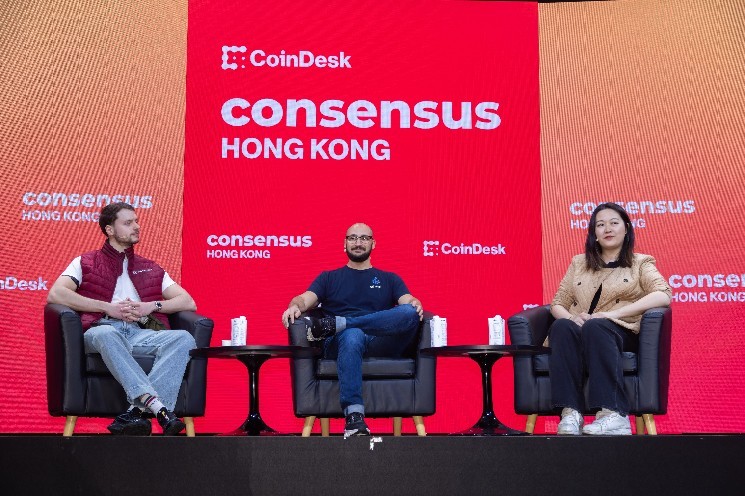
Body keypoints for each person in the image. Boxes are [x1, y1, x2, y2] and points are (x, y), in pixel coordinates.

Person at [47, 202, 198, 436]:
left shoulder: (150, 268)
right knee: (107, 333)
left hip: (139, 333)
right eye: (128, 223)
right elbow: (56, 294)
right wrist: (108, 308)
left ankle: (136, 412)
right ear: (109, 230)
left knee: (184, 339)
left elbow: (188, 302)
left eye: (136, 221)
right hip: (101, 329)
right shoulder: (86, 262)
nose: (136, 226)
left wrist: (151, 306)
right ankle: (158, 407)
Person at [282, 223, 424, 438]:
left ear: (373, 244)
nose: (358, 243)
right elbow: (303, 299)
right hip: (341, 343)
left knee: (409, 313)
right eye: (353, 238)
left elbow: (409, 303)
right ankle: (354, 417)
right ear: (345, 243)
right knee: (352, 334)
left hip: (379, 341)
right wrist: (295, 306)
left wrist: (415, 303)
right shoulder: (329, 278)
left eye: (364, 238)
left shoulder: (390, 279)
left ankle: (342, 322)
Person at [548, 202, 672, 435]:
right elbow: (558, 303)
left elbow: (663, 294)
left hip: (620, 331)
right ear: (594, 233)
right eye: (601, 225)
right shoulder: (579, 263)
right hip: (583, 329)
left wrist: (612, 315)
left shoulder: (640, 262)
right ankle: (570, 413)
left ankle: (614, 414)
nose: (607, 229)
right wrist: (572, 319)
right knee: (561, 326)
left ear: (626, 229)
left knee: (597, 326)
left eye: (614, 223)